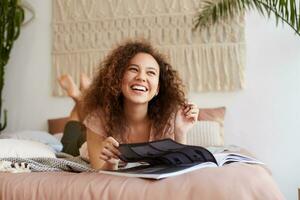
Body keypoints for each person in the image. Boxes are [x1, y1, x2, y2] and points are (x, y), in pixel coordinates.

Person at [59, 39, 199, 170]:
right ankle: (77, 99)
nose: (141, 77)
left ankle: (79, 97)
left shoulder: (167, 119)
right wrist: (110, 162)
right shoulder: (99, 117)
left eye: (150, 72)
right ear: (118, 79)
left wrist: (181, 131)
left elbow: (180, 168)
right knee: (71, 132)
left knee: (78, 116)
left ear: (157, 89)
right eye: (133, 69)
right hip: (81, 146)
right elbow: (99, 173)